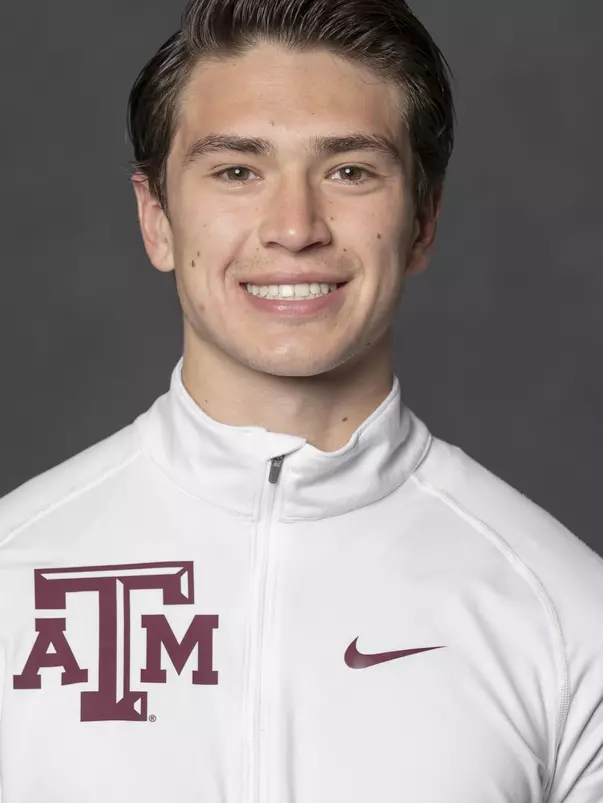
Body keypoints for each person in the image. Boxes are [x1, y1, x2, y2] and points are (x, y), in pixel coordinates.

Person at [0, 0, 601, 800]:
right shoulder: (11, 575)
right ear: (157, 220)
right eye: (236, 171)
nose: (293, 227)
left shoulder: (567, 616)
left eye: (349, 170)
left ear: (422, 221)